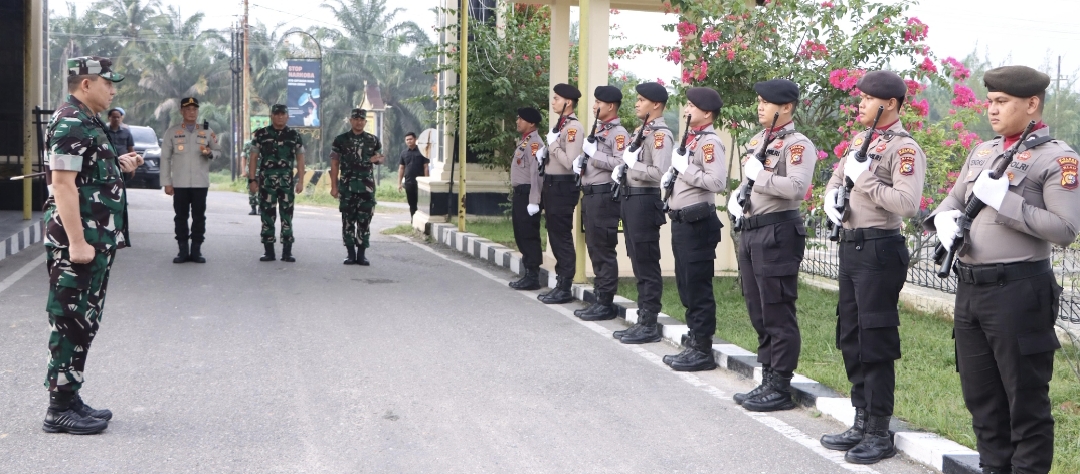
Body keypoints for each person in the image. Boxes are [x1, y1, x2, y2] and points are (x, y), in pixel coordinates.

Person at [925, 65, 1079, 474]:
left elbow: (1065, 229)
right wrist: (942, 219)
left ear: (1032, 104)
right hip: (971, 290)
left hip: (1019, 291)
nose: (992, 109)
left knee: (1024, 400)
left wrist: (1005, 204)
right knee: (982, 397)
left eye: (1002, 102)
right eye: (989, 101)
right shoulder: (983, 152)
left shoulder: (1058, 158)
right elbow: (953, 200)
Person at [819, 70, 926, 464]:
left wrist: (863, 180)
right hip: (852, 247)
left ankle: (880, 430)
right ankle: (861, 419)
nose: (859, 104)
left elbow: (907, 204)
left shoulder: (905, 148)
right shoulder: (860, 140)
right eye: (859, 97)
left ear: (891, 104)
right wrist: (832, 195)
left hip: (880, 249)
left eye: (866, 99)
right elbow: (837, 176)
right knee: (851, 335)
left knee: (875, 340)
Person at [41, 56, 142, 434]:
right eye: (108, 83)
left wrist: (118, 163)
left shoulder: (87, 120)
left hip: (97, 239)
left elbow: (84, 172)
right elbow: (63, 184)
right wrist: (77, 242)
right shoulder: (70, 120)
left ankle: (71, 396)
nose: (113, 90)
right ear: (86, 84)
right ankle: (58, 409)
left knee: (85, 320)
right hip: (80, 244)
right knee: (70, 320)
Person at [727, 79, 818, 412]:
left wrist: (759, 176)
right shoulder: (759, 141)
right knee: (758, 309)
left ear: (787, 108)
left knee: (778, 311)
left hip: (778, 232)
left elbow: (797, 187)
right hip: (752, 231)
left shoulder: (798, 145)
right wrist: (738, 196)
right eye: (759, 101)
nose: (760, 107)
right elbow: (750, 180)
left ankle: (780, 384)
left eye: (766, 102)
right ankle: (767, 376)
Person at [660, 87, 726, 372]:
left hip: (698, 224)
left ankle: (702, 349)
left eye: (690, 106)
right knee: (686, 286)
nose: (686, 110)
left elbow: (716, 182)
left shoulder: (710, 143)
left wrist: (685, 169)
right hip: (682, 223)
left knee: (697, 287)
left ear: (706, 113)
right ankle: (694, 340)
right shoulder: (692, 139)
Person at [612, 82, 672, 344]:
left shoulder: (661, 135)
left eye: (641, 100)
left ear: (655, 105)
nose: (636, 103)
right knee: (637, 261)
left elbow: (660, 173)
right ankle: (642, 318)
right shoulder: (641, 131)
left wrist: (632, 167)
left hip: (644, 202)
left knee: (647, 263)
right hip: (630, 200)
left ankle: (649, 323)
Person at [572, 85, 628, 321]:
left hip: (605, 196)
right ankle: (599, 297)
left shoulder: (619, 133)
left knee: (603, 248)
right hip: (591, 194)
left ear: (611, 106)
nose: (594, 106)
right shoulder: (599, 130)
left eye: (598, 102)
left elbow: (621, 163)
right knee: (594, 247)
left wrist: (595, 155)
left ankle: (605, 301)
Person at [537, 83, 585, 304]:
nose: (553, 101)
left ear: (568, 102)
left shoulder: (573, 128)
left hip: (563, 186)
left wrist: (553, 145)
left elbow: (570, 163)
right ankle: (560, 282)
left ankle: (565, 286)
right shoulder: (561, 125)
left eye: (556, 98)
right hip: (552, 185)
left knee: (562, 237)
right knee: (555, 235)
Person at [160, 97, 221, 264]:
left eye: (194, 109)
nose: (191, 112)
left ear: (198, 111)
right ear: (182, 111)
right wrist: (167, 182)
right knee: (180, 217)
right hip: (179, 183)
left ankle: (196, 250)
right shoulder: (172, 132)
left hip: (200, 183)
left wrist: (210, 153)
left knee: (199, 217)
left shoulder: (207, 132)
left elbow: (218, 151)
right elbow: (165, 158)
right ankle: (182, 250)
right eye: (188, 109)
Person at [249, 104, 305, 262]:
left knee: (287, 216)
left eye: (283, 114)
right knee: (267, 215)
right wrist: (252, 180)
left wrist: (300, 180)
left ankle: (287, 251)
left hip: (286, 183)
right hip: (266, 182)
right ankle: (269, 251)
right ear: (272, 116)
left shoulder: (294, 135)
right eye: (277, 114)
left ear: (287, 116)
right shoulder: (261, 134)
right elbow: (253, 158)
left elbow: (300, 159)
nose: (280, 117)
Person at [330, 108, 385, 265]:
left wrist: (377, 160)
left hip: (366, 188)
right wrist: (334, 186)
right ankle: (350, 254)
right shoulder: (340, 140)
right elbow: (334, 163)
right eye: (356, 119)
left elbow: (381, 158)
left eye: (362, 119)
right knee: (348, 221)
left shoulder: (373, 140)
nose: (359, 122)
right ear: (350, 120)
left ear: (365, 122)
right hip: (347, 187)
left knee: (364, 221)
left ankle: (361, 254)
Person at [508, 107, 546, 290]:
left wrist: (534, 200)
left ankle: (533, 275)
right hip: (520, 195)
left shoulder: (534, 144)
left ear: (531, 123)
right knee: (521, 233)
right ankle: (528, 272)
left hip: (528, 194)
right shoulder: (525, 142)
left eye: (521, 119)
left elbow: (536, 173)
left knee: (529, 234)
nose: (517, 121)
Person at [397, 132, 429, 217]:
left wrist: (426, 180)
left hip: (420, 183)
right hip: (409, 182)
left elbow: (426, 167)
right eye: (407, 140)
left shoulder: (422, 151)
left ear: (415, 139)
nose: (409, 141)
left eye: (410, 139)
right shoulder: (403, 153)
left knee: (422, 203)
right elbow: (401, 168)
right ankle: (413, 220)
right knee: (412, 204)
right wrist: (399, 183)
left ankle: (421, 219)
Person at [239, 139, 258, 215]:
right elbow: (244, 158)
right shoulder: (248, 144)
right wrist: (243, 171)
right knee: (251, 190)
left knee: (262, 191)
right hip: (250, 171)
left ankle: (260, 208)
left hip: (262, 171)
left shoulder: (265, 143)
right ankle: (253, 208)